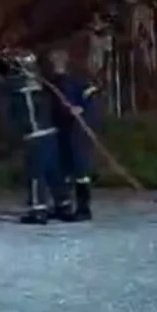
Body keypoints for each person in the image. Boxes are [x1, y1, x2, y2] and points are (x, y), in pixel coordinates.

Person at [0, 48, 72, 224]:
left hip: (35, 137)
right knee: (53, 172)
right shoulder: (38, 85)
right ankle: (63, 206)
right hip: (50, 134)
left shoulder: (20, 87)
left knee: (36, 174)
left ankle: (38, 210)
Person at [46, 44, 100, 222]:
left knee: (80, 169)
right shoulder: (51, 81)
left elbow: (92, 98)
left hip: (78, 129)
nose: (56, 63)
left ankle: (84, 209)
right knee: (61, 169)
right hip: (60, 129)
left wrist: (81, 109)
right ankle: (63, 206)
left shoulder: (79, 79)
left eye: (59, 59)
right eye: (53, 60)